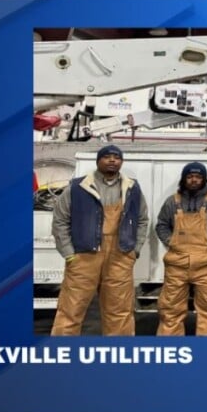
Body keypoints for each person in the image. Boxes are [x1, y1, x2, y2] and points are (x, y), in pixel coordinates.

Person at [51, 144, 149, 336]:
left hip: (120, 256)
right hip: (84, 257)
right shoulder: (78, 187)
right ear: (98, 161)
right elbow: (60, 220)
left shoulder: (132, 188)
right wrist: (69, 254)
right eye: (107, 157)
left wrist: (134, 250)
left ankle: (119, 359)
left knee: (119, 312)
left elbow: (143, 219)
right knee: (70, 310)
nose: (112, 160)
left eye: (117, 157)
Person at [154, 162, 207, 336]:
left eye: (198, 177)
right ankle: (170, 348)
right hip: (177, 262)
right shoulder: (172, 201)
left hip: (206, 263)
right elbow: (161, 225)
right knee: (170, 308)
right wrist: (171, 241)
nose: (193, 180)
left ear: (204, 179)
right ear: (184, 179)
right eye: (190, 177)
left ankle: (205, 350)